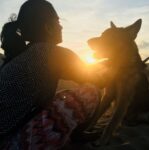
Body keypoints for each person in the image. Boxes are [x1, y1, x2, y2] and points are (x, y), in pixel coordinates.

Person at [0, 0, 109, 149]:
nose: (61, 26)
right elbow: (95, 80)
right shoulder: (53, 53)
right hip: (12, 143)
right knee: (91, 91)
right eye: (58, 21)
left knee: (64, 93)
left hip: (7, 134)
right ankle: (75, 137)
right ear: (49, 27)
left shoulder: (23, 54)